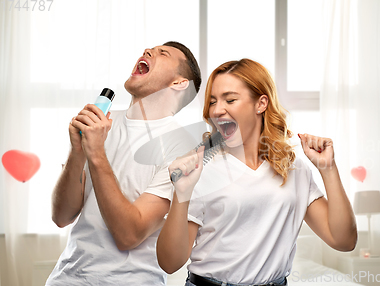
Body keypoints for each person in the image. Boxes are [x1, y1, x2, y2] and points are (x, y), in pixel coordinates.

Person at [156, 59, 357, 286]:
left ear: (261, 104)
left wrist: (328, 170)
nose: (217, 110)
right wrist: (181, 194)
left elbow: (344, 241)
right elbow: (169, 263)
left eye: (230, 99)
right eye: (212, 102)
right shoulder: (200, 168)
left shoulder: (293, 168)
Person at [47, 41, 201, 285]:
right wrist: (76, 153)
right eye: (149, 49)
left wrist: (96, 152)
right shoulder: (102, 124)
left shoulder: (181, 149)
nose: (147, 51)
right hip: (65, 278)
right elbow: (61, 216)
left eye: (163, 53)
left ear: (179, 83)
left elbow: (129, 235)